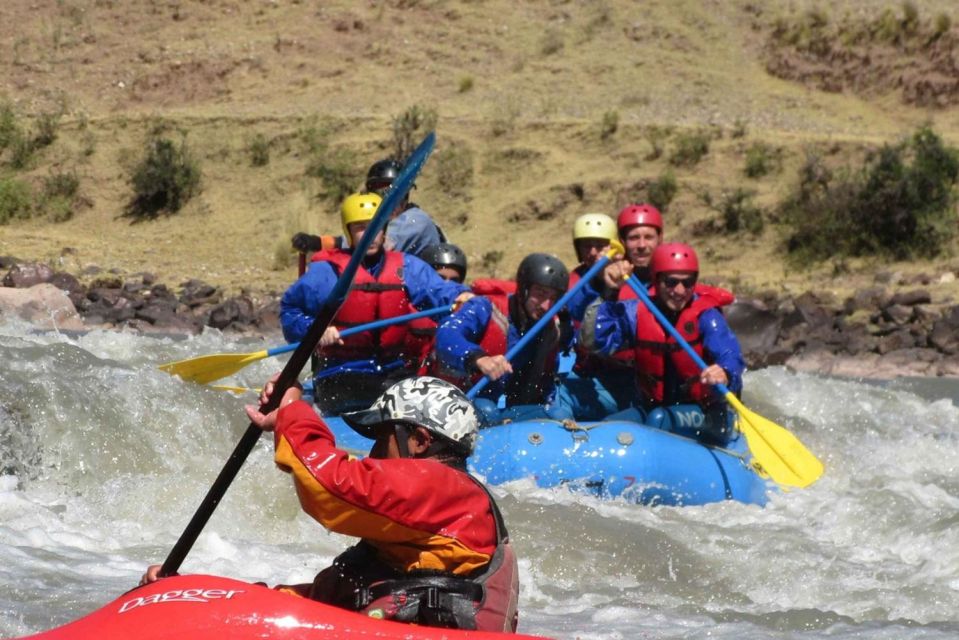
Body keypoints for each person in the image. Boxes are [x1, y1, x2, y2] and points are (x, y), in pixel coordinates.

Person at [142, 375, 519, 632]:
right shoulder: (423, 518)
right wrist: (190, 594)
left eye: (382, 437)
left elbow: (330, 486)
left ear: (420, 440)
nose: (372, 452)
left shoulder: (443, 487)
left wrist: (293, 410)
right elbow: (316, 605)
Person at [280, 192, 470, 414]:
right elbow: (289, 311)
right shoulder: (326, 272)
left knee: (418, 396)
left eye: (376, 226)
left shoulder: (407, 267)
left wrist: (462, 296)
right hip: (342, 375)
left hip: (392, 372)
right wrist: (315, 330)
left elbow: (442, 291)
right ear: (348, 231)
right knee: (389, 395)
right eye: (360, 227)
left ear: (385, 228)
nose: (370, 234)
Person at [580, 242, 743, 443]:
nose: (680, 290)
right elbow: (592, 341)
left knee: (659, 420)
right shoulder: (636, 313)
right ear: (656, 280)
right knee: (604, 430)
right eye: (671, 282)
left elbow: (731, 354)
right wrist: (609, 292)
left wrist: (724, 372)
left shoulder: (707, 317)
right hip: (653, 407)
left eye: (688, 282)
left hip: (709, 413)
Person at [434, 253, 570, 425]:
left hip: (505, 408)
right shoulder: (484, 307)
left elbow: (546, 384)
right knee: (487, 412)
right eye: (540, 293)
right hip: (458, 399)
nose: (546, 306)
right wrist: (478, 358)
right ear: (524, 289)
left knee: (557, 416)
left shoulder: (550, 330)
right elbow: (447, 335)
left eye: (553, 298)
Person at [365, 158, 446, 258]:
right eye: (380, 195)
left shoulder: (415, 220)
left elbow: (377, 245)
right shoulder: (381, 224)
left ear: (405, 197)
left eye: (396, 194)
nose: (387, 201)